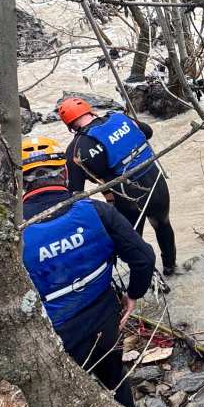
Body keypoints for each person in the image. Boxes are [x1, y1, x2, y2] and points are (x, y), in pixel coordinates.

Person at [19, 136, 156, 407]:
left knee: (72, 400)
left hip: (52, 337)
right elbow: (144, 258)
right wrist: (133, 295)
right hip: (105, 322)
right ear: (66, 173)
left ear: (19, 182)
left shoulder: (12, 231)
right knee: (116, 379)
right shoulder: (96, 211)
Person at [58, 97, 178, 277]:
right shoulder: (121, 118)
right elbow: (148, 131)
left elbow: (75, 193)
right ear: (90, 111)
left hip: (127, 197)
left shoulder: (75, 149)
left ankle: (152, 280)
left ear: (70, 126)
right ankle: (171, 268)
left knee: (133, 242)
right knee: (163, 224)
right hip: (156, 182)